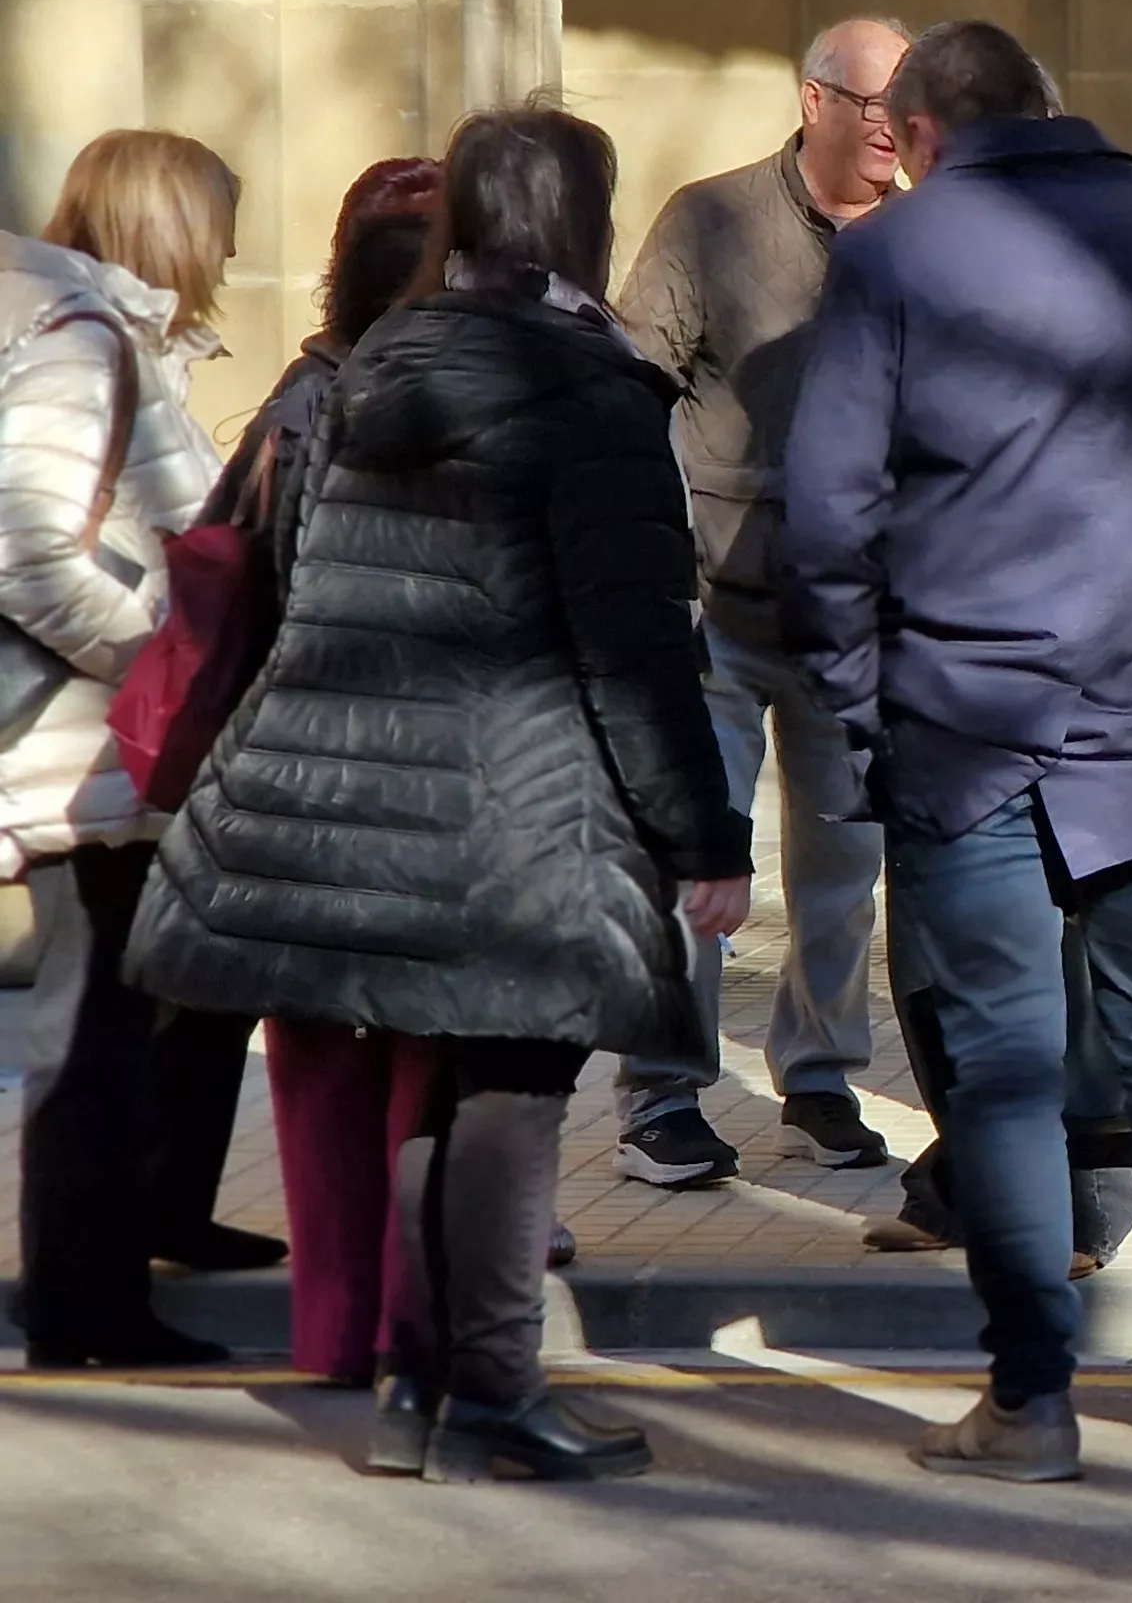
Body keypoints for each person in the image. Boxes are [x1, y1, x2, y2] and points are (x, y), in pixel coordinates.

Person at [140, 106, 752, 1480]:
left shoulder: (369, 370)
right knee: (513, 1094)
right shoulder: (592, 392)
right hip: (520, 805)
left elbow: (305, 581)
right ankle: (492, 1390)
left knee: (433, 1095)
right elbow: (636, 643)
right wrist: (702, 836)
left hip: (362, 788)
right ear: (580, 222)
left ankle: (420, 1389)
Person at [779, 20, 1132, 1476]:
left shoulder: (895, 254)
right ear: (1048, 105)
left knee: (998, 1067)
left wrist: (860, 714)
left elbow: (826, 517)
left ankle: (1032, 1399)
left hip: (964, 714)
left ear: (919, 130)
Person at [607, 16, 913, 1188]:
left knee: (845, 867)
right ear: (812, 100)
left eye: (907, 103)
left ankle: (821, 1078)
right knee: (698, 856)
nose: (892, 125)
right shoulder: (714, 217)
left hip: (860, 619)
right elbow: (638, 376)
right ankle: (661, 1092)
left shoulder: (926, 235)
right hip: (718, 599)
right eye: (871, 100)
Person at [0, 131, 237, 1368]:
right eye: (219, 228)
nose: (232, 256)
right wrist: (159, 655)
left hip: (90, 747)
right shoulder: (80, 340)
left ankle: (87, 1295)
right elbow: (30, 553)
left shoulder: (90, 330)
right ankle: (85, 1310)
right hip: (79, 746)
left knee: (101, 1034)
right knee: (91, 1041)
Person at [242, 157, 449, 1386]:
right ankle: (412, 1332)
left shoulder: (297, 402)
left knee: (321, 1072)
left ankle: (336, 1335)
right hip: (424, 788)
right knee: (422, 1073)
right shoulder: (460, 398)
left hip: (297, 780)